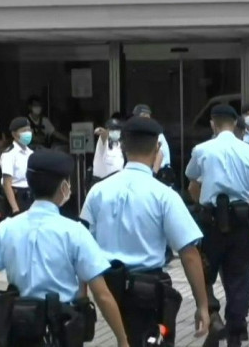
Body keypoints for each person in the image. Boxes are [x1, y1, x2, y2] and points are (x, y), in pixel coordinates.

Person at [0, 149, 129, 347]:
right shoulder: (74, 232)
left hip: (18, 329)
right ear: (64, 187)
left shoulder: (7, 228)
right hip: (59, 331)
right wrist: (122, 340)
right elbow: (102, 294)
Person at [81, 116, 209, 346]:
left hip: (108, 291)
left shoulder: (97, 191)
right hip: (148, 291)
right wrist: (202, 305)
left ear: (122, 146)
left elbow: (80, 249)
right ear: (157, 147)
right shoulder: (164, 195)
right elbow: (189, 253)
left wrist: (81, 299)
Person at [185, 104, 249, 347]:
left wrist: (203, 205)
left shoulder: (202, 150)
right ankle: (235, 332)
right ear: (236, 123)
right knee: (238, 277)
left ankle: (213, 315)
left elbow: (192, 185)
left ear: (213, 123)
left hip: (210, 222)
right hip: (242, 223)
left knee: (204, 273)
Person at [0, 117, 34, 215]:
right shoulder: (9, 154)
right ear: (14, 134)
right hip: (16, 197)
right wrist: (15, 209)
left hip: (30, 196)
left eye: (29, 130)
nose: (28, 133)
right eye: (24, 131)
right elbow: (7, 184)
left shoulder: (30, 153)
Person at [132, 104, 171, 174]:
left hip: (160, 172)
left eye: (146, 116)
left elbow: (160, 153)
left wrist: (153, 174)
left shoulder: (154, 131)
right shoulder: (145, 131)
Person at [92, 118, 125, 183]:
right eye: (113, 129)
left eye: (118, 129)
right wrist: (103, 131)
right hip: (102, 182)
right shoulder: (103, 143)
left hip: (117, 182)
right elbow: (102, 134)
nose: (116, 131)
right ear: (108, 130)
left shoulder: (118, 145)